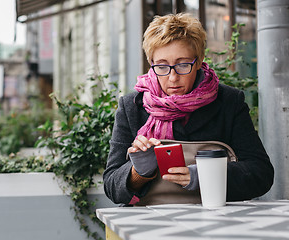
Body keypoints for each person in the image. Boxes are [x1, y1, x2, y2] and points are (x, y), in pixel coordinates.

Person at [103, 13, 274, 206]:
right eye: (162, 66)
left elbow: (261, 173)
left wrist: (206, 175)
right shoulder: (132, 106)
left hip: (216, 220)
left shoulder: (229, 102)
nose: (173, 77)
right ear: (151, 64)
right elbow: (111, 184)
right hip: (150, 221)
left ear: (199, 61)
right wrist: (139, 172)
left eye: (183, 65)